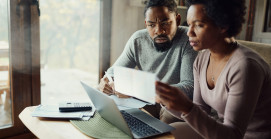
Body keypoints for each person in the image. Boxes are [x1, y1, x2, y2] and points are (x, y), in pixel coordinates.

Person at [155, 0, 271, 138]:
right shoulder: (201, 60)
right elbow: (200, 111)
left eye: (198, 25)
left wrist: (186, 106)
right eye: (189, 24)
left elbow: (233, 135)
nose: (189, 32)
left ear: (223, 26)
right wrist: (167, 101)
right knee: (162, 134)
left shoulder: (246, 66)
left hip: (249, 136)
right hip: (219, 130)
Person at [98, 0, 197, 124]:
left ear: (177, 20)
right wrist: (106, 82)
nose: (159, 30)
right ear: (146, 24)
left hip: (173, 105)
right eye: (151, 25)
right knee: (117, 116)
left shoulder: (188, 39)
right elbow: (113, 72)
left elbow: (189, 87)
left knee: (167, 122)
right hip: (146, 101)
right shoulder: (138, 40)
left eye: (165, 23)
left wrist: (136, 89)